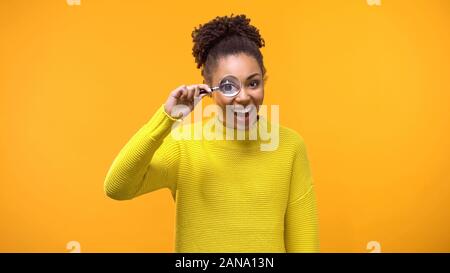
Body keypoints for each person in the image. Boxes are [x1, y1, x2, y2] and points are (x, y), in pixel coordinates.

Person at [104, 14, 319, 253]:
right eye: (228, 86)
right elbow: (117, 187)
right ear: (208, 87)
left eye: (253, 83)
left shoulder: (290, 146)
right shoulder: (184, 145)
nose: (244, 96)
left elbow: (304, 242)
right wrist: (166, 119)